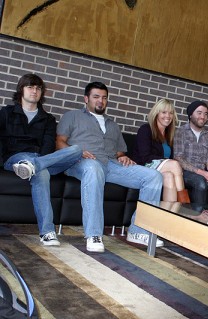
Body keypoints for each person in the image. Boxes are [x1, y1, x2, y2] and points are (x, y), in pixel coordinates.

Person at [56, 82, 164, 252]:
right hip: (80, 162)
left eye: (104, 98)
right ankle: (93, 234)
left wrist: (123, 157)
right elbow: (60, 143)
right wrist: (77, 152)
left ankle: (138, 231)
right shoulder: (72, 116)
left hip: (110, 164)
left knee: (153, 176)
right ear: (86, 99)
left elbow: (119, 152)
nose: (101, 101)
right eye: (96, 97)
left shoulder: (112, 124)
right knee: (93, 168)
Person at [0, 74, 82, 246]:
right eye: (30, 87)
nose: (34, 91)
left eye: (38, 88)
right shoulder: (6, 113)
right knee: (42, 174)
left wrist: (38, 161)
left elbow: (47, 145)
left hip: (41, 159)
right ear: (21, 90)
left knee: (76, 150)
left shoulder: (48, 119)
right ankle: (47, 232)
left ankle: (33, 166)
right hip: (15, 158)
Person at [133, 98, 190, 203]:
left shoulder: (169, 135)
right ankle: (185, 205)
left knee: (169, 176)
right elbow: (145, 157)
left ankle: (169, 214)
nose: (167, 116)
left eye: (171, 113)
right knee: (174, 165)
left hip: (160, 168)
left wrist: (168, 162)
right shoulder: (145, 129)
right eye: (164, 112)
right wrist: (168, 162)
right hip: (143, 166)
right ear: (156, 113)